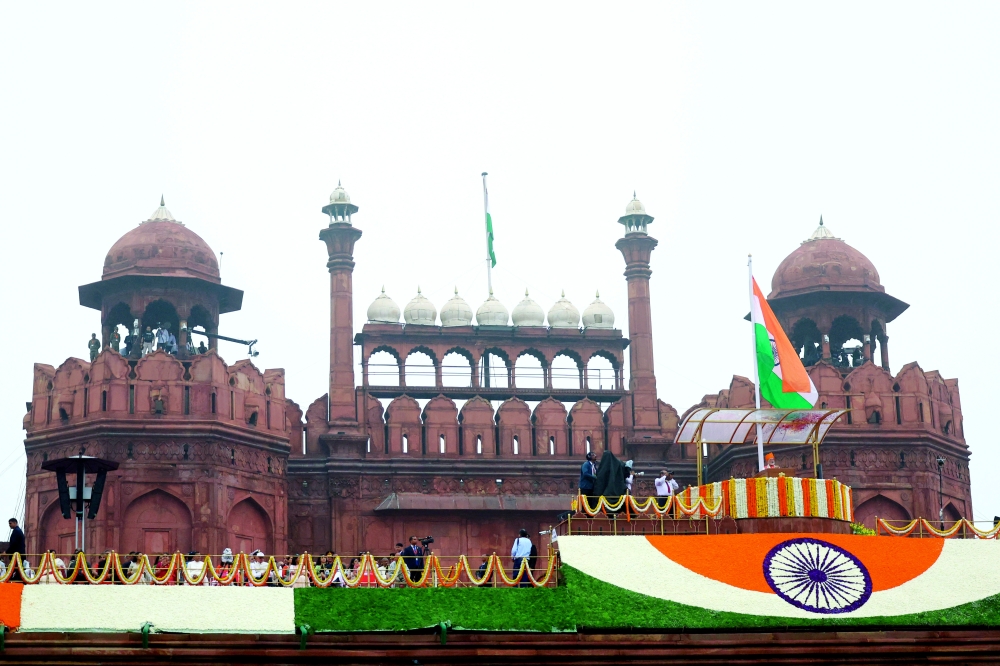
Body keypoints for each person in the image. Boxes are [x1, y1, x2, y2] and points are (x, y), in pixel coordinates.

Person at [6, 518, 25, 582]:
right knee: (17, 570)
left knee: (16, 569)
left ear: (15, 523)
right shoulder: (18, 531)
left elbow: (14, 543)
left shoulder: (16, 531)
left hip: (17, 555)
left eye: (10, 523)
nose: (9, 525)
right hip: (19, 555)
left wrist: (6, 552)